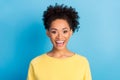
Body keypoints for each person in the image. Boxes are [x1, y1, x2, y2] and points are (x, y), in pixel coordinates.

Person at [27, 4, 92, 80]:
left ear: (71, 32)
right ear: (48, 33)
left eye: (64, 31)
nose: (60, 37)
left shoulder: (82, 62)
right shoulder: (35, 63)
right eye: (54, 32)